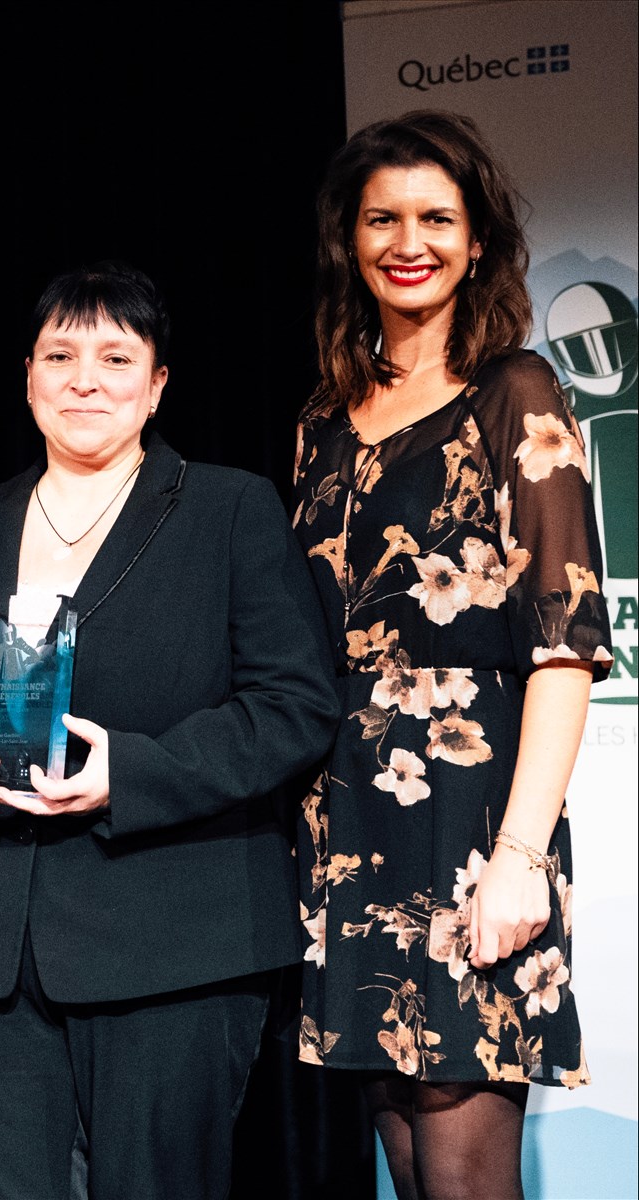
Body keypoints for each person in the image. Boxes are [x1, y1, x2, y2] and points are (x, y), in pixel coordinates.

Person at [0, 259, 339, 1199]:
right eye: (60, 356)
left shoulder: (229, 509)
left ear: (157, 384)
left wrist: (132, 773)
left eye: (116, 358)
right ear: (28, 377)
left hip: (173, 943)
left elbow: (295, 706)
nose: (85, 380)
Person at [291, 109, 614, 1200]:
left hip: (473, 821)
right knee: (401, 1150)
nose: (408, 241)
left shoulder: (516, 390)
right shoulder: (321, 419)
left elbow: (563, 648)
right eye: (381, 219)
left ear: (476, 242)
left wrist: (520, 857)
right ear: (350, 240)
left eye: (436, 218)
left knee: (464, 1173)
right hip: (346, 818)